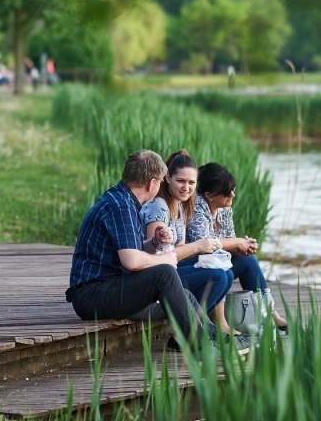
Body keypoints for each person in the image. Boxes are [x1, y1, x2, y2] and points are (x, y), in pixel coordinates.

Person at [67, 150, 243, 353]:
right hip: (92, 296)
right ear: (152, 183)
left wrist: (154, 242)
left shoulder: (124, 201)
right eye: (160, 181)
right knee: (165, 273)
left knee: (185, 296)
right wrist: (167, 258)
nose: (160, 186)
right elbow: (131, 261)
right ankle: (201, 345)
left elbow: (131, 250)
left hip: (109, 289)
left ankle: (215, 338)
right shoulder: (120, 206)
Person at [186, 162, 288, 334]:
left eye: (232, 189)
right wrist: (237, 243)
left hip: (214, 259)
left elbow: (228, 242)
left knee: (247, 259)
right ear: (209, 195)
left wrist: (242, 247)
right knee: (219, 265)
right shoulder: (197, 207)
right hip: (195, 265)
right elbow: (205, 245)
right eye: (227, 192)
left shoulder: (224, 208)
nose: (232, 195)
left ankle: (269, 311)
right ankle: (220, 321)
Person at [140, 151, 233, 320]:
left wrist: (205, 254)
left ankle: (196, 326)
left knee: (226, 272)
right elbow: (155, 256)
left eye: (191, 182)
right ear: (168, 178)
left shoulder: (181, 206)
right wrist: (198, 246)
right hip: (156, 274)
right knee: (217, 276)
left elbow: (180, 247)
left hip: (172, 266)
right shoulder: (158, 207)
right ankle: (189, 330)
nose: (186, 187)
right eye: (181, 181)